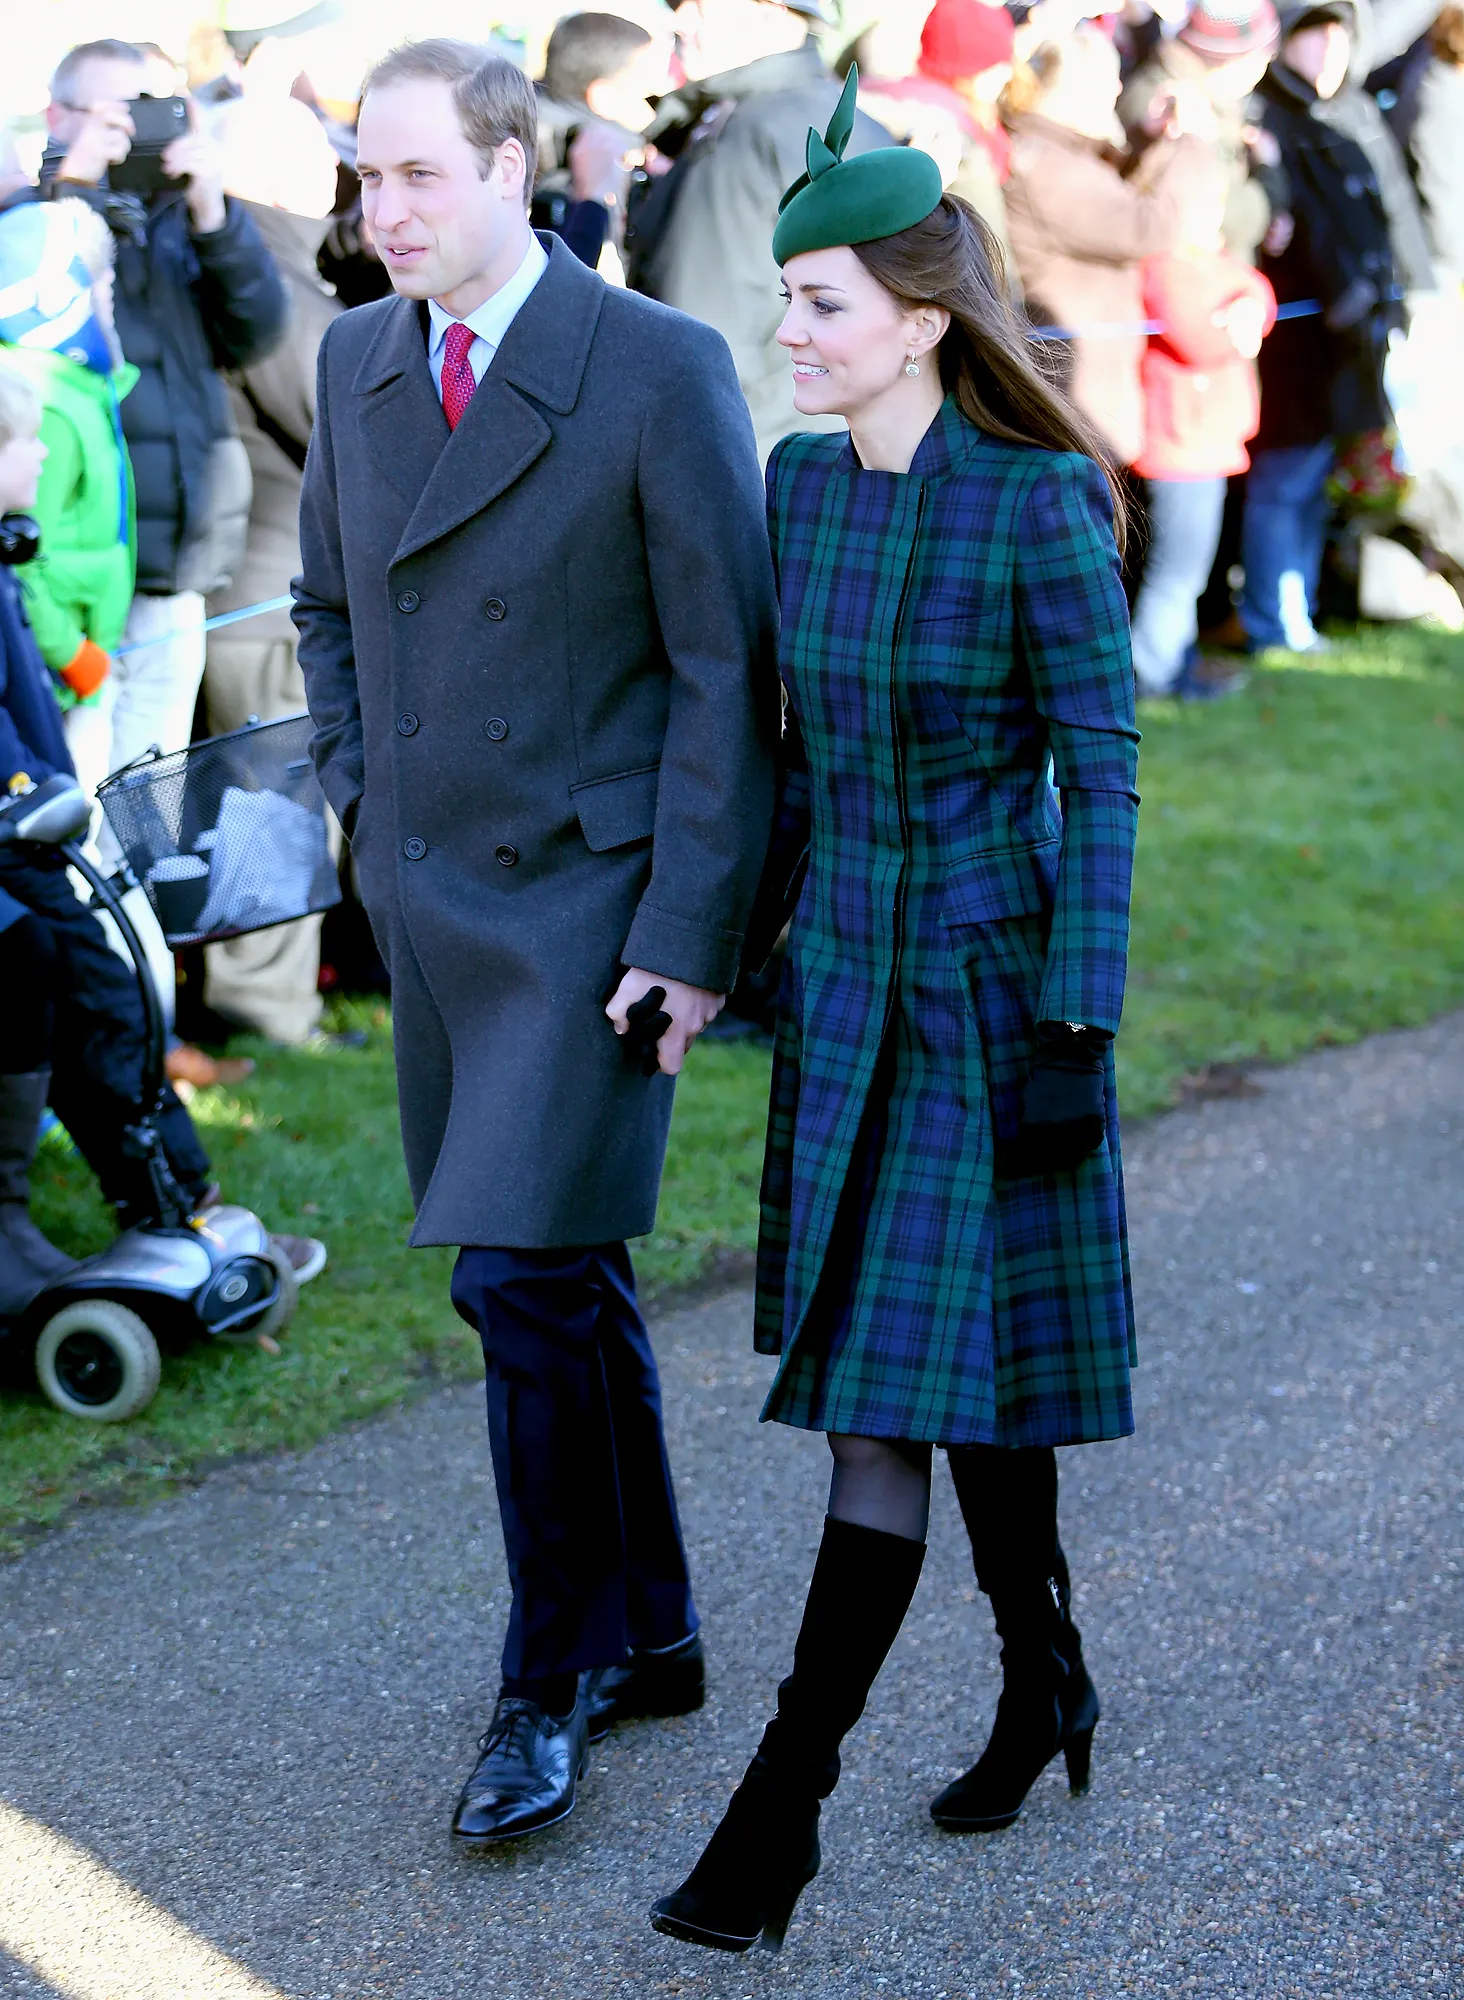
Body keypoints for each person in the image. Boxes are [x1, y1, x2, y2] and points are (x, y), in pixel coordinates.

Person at [651, 69, 1140, 1955]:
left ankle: (777, 1815)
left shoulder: (1035, 500)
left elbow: (1101, 773)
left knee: (886, 1411)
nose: (786, 332)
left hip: (995, 1003)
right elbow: (783, 760)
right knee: (949, 1385)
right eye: (786, 300)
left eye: (820, 303)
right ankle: (1045, 1677)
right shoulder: (798, 487)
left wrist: (1076, 1030)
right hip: (845, 998)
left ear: (921, 321)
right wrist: (711, 954)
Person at [293, 39, 778, 1846]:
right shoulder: (356, 357)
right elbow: (325, 604)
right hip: (436, 902)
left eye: (418, 174)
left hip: (593, 903)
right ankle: (651, 1632)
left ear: (513, 168)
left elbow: (726, 673)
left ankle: (544, 1674)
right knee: (556, 1278)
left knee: (513, 1279)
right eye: (366, 176)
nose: (384, 210)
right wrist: (364, 801)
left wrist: (693, 932)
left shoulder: (654, 363)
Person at [0, 360, 322, 1300]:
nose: (41, 453)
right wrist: (25, 789)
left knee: (113, 991)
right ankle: (149, 1209)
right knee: (94, 987)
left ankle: (179, 1205)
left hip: (33, 828)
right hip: (20, 831)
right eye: (23, 441)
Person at [36, 38, 286, 794]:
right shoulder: (28, 219)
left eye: (147, 111)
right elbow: (48, 320)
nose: (130, 131)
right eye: (111, 113)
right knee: (72, 802)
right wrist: (76, 186)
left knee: (152, 810)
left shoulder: (179, 220)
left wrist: (214, 211)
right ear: (57, 116)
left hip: (178, 565)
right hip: (76, 576)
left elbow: (257, 333)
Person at [199, 93, 343, 1046]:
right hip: (264, 600)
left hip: (234, 596)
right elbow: (347, 430)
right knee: (274, 809)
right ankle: (266, 1013)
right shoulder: (272, 286)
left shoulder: (228, 266)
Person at [1242, 0, 1431, 652]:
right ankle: (1272, 620)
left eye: (1339, 39)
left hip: (1355, 339)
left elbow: (1392, 205)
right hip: (1294, 341)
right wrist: (1344, 292)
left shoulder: (1353, 110)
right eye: (1313, 38)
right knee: (1283, 481)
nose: (1329, 54)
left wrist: (1404, 291)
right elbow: (1289, 228)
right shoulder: (1266, 115)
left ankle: (1300, 612)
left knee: (1317, 480)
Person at [625, 0, 893, 457]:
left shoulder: (742, 136)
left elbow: (702, 345)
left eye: (700, 5)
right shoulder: (851, 119)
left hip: (758, 452)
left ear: (769, 13)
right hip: (840, 441)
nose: (680, 21)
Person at [1003, 24, 1212, 468]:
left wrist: (1151, 138)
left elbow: (1113, 198)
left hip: (1090, 396)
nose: (1118, 90)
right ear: (1071, 89)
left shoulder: (1062, 154)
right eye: (1107, 79)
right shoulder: (1047, 165)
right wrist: (1194, 143)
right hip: (1074, 405)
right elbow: (1147, 226)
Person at [0, 199, 134, 786]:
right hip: (57, 670)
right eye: (99, 283)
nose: (109, 298)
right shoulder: (42, 401)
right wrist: (71, 655)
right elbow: (20, 555)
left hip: (73, 659)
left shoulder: (69, 384)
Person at [1130, 162, 1276, 695]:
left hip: (1205, 445)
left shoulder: (1211, 261)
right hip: (1180, 447)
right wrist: (1238, 322)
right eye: (1204, 204)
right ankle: (1152, 673)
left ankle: (1177, 663)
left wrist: (1248, 307)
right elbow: (1197, 336)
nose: (1215, 216)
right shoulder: (1164, 266)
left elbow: (1255, 286)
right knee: (1175, 573)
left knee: (1189, 574)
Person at [1119, 0, 1282, 262]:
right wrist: (1271, 181)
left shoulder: (1216, 97)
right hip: (1183, 274)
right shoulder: (1165, 104)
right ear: (1233, 59)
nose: (1268, 62)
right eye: (1264, 53)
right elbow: (1232, 217)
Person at [534, 11, 668, 271]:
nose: (655, 111)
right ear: (603, 97)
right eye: (648, 96)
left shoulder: (522, 133)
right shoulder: (602, 161)